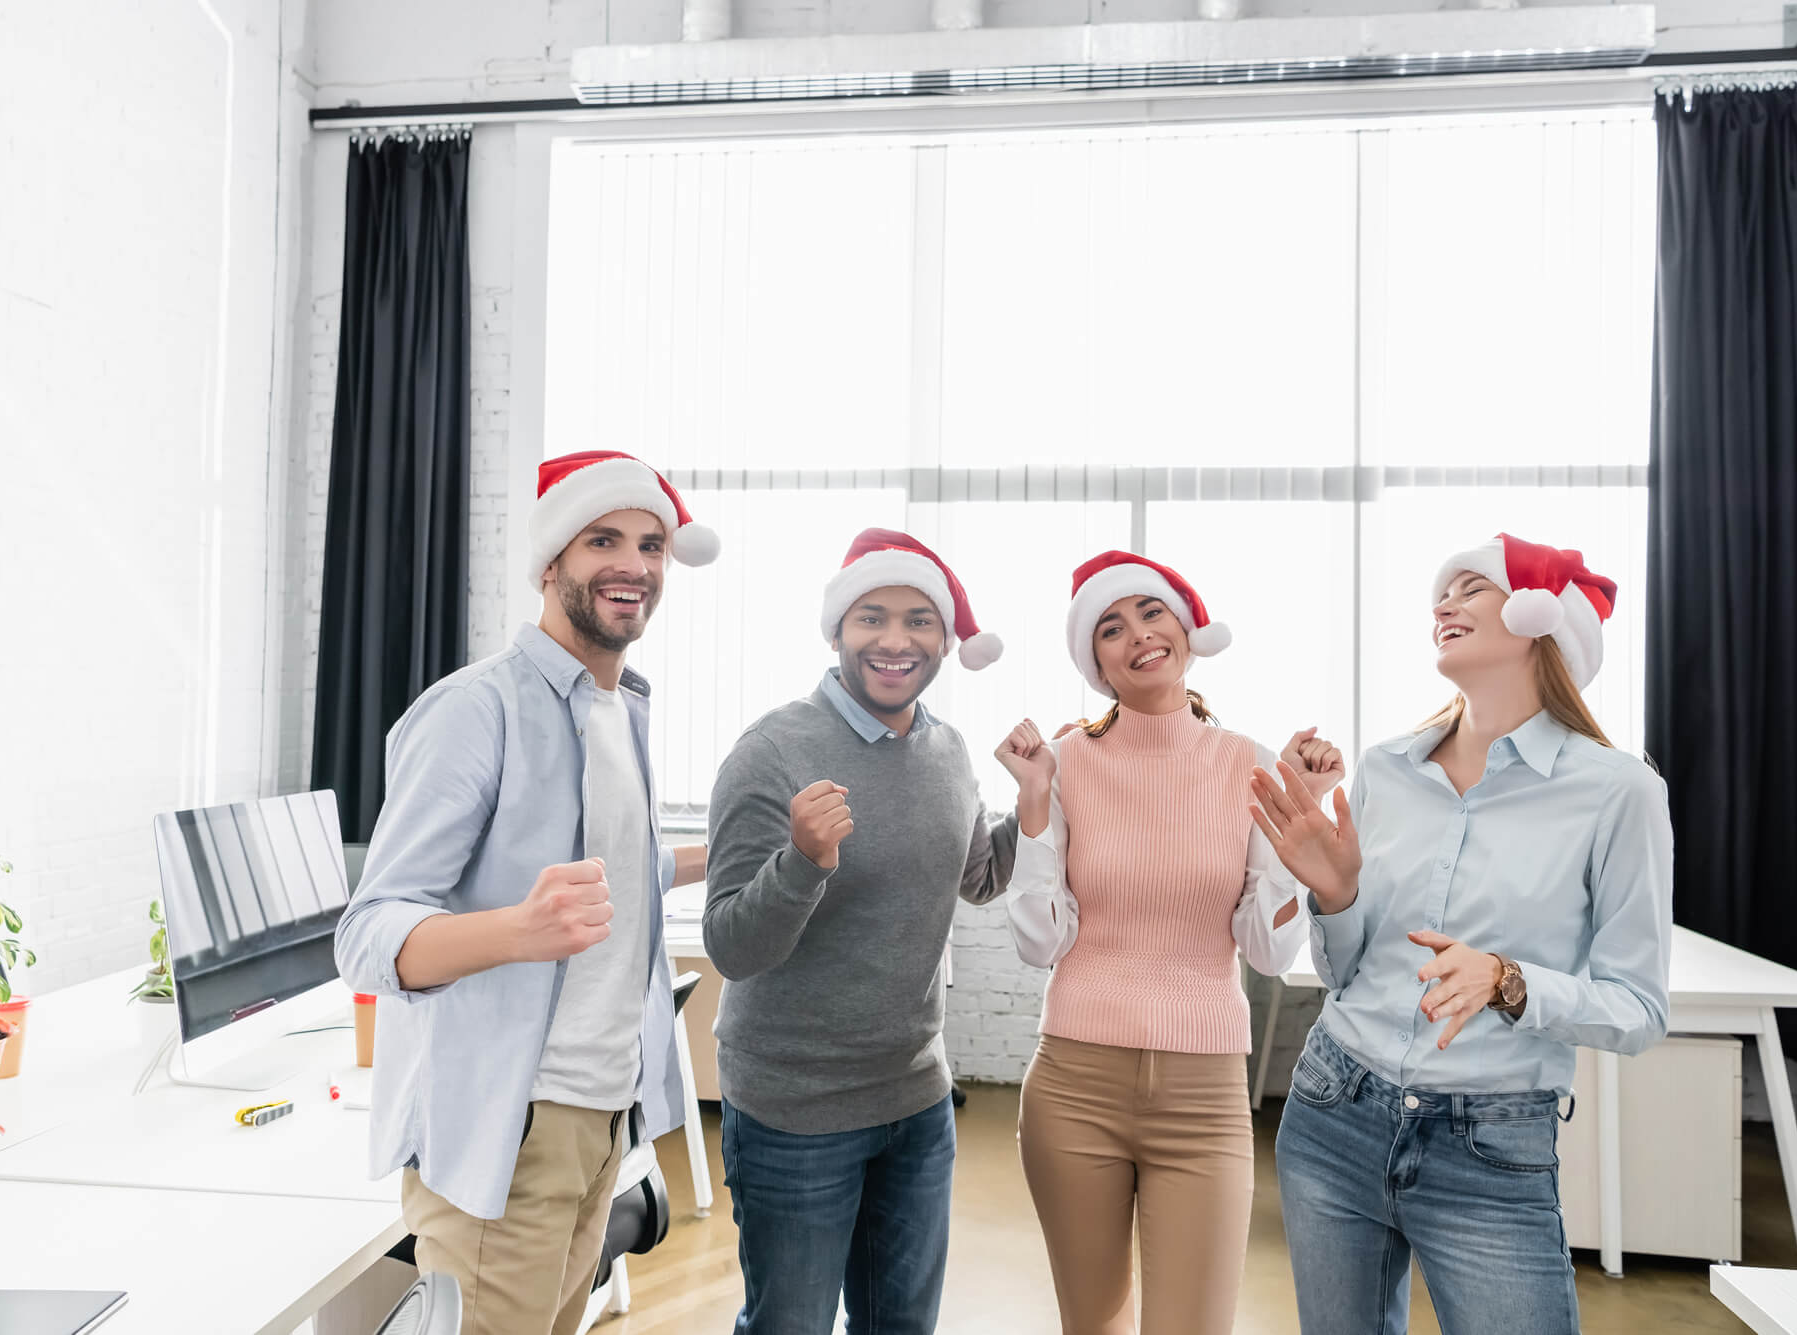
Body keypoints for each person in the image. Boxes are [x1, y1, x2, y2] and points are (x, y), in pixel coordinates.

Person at [335, 450, 717, 1335]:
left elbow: (615, 880)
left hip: (603, 1119)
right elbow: (368, 933)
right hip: (512, 1129)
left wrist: (729, 852)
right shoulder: (475, 710)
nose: (634, 564)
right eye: (603, 540)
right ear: (551, 563)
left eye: (651, 544)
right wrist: (516, 929)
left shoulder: (617, 708)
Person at [1253, 532, 1673, 1335]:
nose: (1444, 603)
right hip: (1333, 1112)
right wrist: (1334, 896)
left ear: (1539, 618)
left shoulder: (1619, 792)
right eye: (1442, 593)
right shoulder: (1385, 769)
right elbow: (1344, 974)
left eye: (1472, 588)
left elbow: (1639, 1008)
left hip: (1490, 1151)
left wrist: (1507, 979)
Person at [997, 549, 1337, 1335]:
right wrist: (1035, 804)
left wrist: (1298, 829)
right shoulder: (1063, 763)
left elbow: (1266, 951)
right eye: (1111, 628)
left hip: (1203, 1094)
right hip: (1074, 1084)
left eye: (1152, 613)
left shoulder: (1249, 764)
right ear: (1096, 662)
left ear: (1187, 629)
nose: (1139, 635)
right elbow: (1041, 942)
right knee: (1093, 1325)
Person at [703, 527, 1016, 1335]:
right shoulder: (771, 751)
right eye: (872, 617)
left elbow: (979, 877)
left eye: (918, 620)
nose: (895, 639)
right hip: (795, 1111)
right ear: (836, 630)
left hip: (917, 1099)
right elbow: (731, 945)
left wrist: (1040, 804)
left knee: (901, 1325)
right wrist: (803, 862)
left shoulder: (948, 750)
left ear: (945, 640)